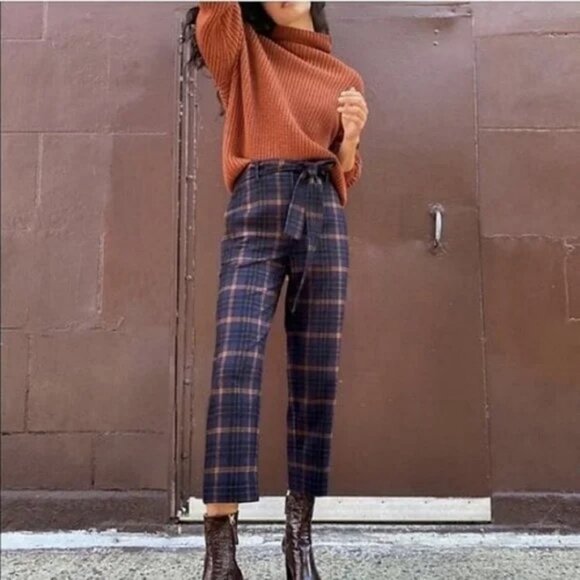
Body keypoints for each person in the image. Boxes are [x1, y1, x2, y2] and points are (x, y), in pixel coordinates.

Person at [186, 2, 369, 578]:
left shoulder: (345, 78)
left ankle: (299, 541)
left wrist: (350, 139)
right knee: (234, 363)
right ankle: (221, 553)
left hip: (323, 210)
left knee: (316, 375)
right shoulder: (241, 50)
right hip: (257, 206)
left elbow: (345, 173)